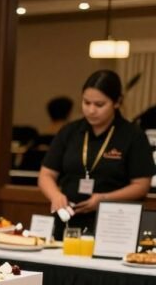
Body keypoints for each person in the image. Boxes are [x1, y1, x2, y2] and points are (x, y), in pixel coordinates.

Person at [38, 70, 156, 237]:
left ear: (117, 102)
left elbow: (141, 186)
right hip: (68, 220)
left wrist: (104, 198)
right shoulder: (70, 131)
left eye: (99, 105)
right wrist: (55, 195)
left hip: (114, 224)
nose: (91, 110)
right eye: (86, 103)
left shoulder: (133, 136)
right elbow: (46, 174)